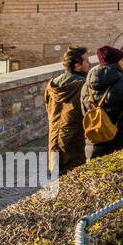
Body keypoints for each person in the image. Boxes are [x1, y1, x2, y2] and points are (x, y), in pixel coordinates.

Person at [84, 45, 123, 159]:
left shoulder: (86, 85)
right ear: (116, 62)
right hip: (121, 140)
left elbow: (85, 112)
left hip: (95, 143)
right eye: (122, 60)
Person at [45, 46, 89, 176]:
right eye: (86, 61)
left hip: (54, 141)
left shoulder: (51, 85)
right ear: (77, 66)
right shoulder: (82, 86)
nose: (89, 63)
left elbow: (49, 111)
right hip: (75, 144)